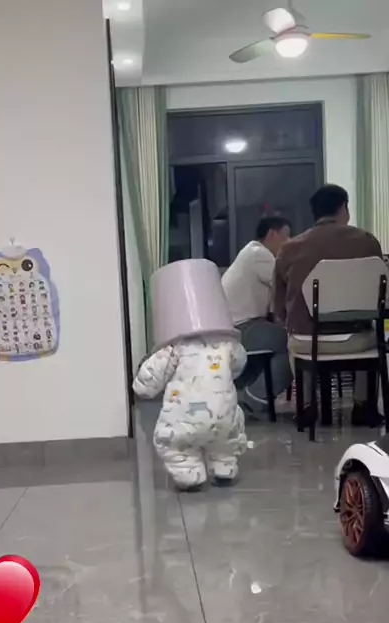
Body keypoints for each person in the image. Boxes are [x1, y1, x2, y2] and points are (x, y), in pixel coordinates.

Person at [273, 183, 383, 426]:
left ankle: (306, 406)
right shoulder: (367, 242)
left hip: (306, 342)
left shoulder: (288, 249)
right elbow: (379, 296)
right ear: (344, 208)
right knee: (373, 336)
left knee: (294, 340)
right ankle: (362, 405)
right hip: (355, 340)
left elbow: (279, 309)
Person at [133, 259, 247, 491]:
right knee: (226, 440)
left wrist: (140, 388)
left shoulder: (173, 349)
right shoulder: (228, 345)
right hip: (225, 417)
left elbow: (149, 380)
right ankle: (224, 465)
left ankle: (189, 472)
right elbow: (239, 365)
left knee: (174, 443)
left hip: (183, 420)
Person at [222, 215, 293, 412]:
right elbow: (288, 284)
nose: (288, 243)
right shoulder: (260, 254)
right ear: (272, 234)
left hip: (234, 328)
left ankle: (248, 393)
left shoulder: (250, 253)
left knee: (278, 339)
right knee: (293, 344)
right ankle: (258, 395)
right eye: (286, 237)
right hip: (242, 328)